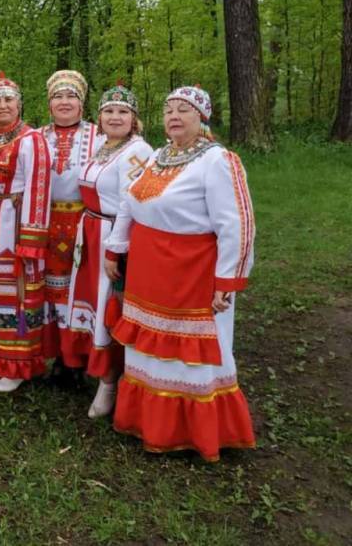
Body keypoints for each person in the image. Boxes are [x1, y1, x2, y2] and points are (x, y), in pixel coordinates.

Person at [105, 86, 256, 461]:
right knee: (149, 348)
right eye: (168, 109)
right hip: (148, 269)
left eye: (184, 110)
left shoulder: (218, 160)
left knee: (189, 352)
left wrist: (229, 279)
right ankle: (149, 421)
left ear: (202, 117)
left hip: (191, 272)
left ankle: (192, 429)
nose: (174, 115)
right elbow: (129, 202)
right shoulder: (159, 156)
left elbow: (237, 222)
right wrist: (116, 246)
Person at [67, 84, 151, 417]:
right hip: (90, 229)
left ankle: (110, 382)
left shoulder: (137, 151)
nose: (115, 117)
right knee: (92, 302)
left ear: (135, 119)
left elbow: (131, 203)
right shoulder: (103, 146)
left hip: (113, 232)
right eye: (109, 111)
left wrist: (116, 248)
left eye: (123, 112)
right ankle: (97, 371)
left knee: (109, 307)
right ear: (99, 118)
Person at [0, 72, 52, 393]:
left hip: (13, 225)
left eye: (8, 99)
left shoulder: (31, 139)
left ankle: (17, 365)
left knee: (14, 295)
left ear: (19, 103)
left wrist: (30, 240)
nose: (2, 105)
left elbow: (39, 188)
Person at [40, 69, 102, 384]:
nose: (64, 102)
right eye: (58, 96)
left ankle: (80, 359)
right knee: (52, 290)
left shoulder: (100, 136)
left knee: (79, 290)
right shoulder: (38, 136)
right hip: (46, 222)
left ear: (81, 102)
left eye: (71, 96)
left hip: (82, 223)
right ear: (49, 103)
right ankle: (59, 358)